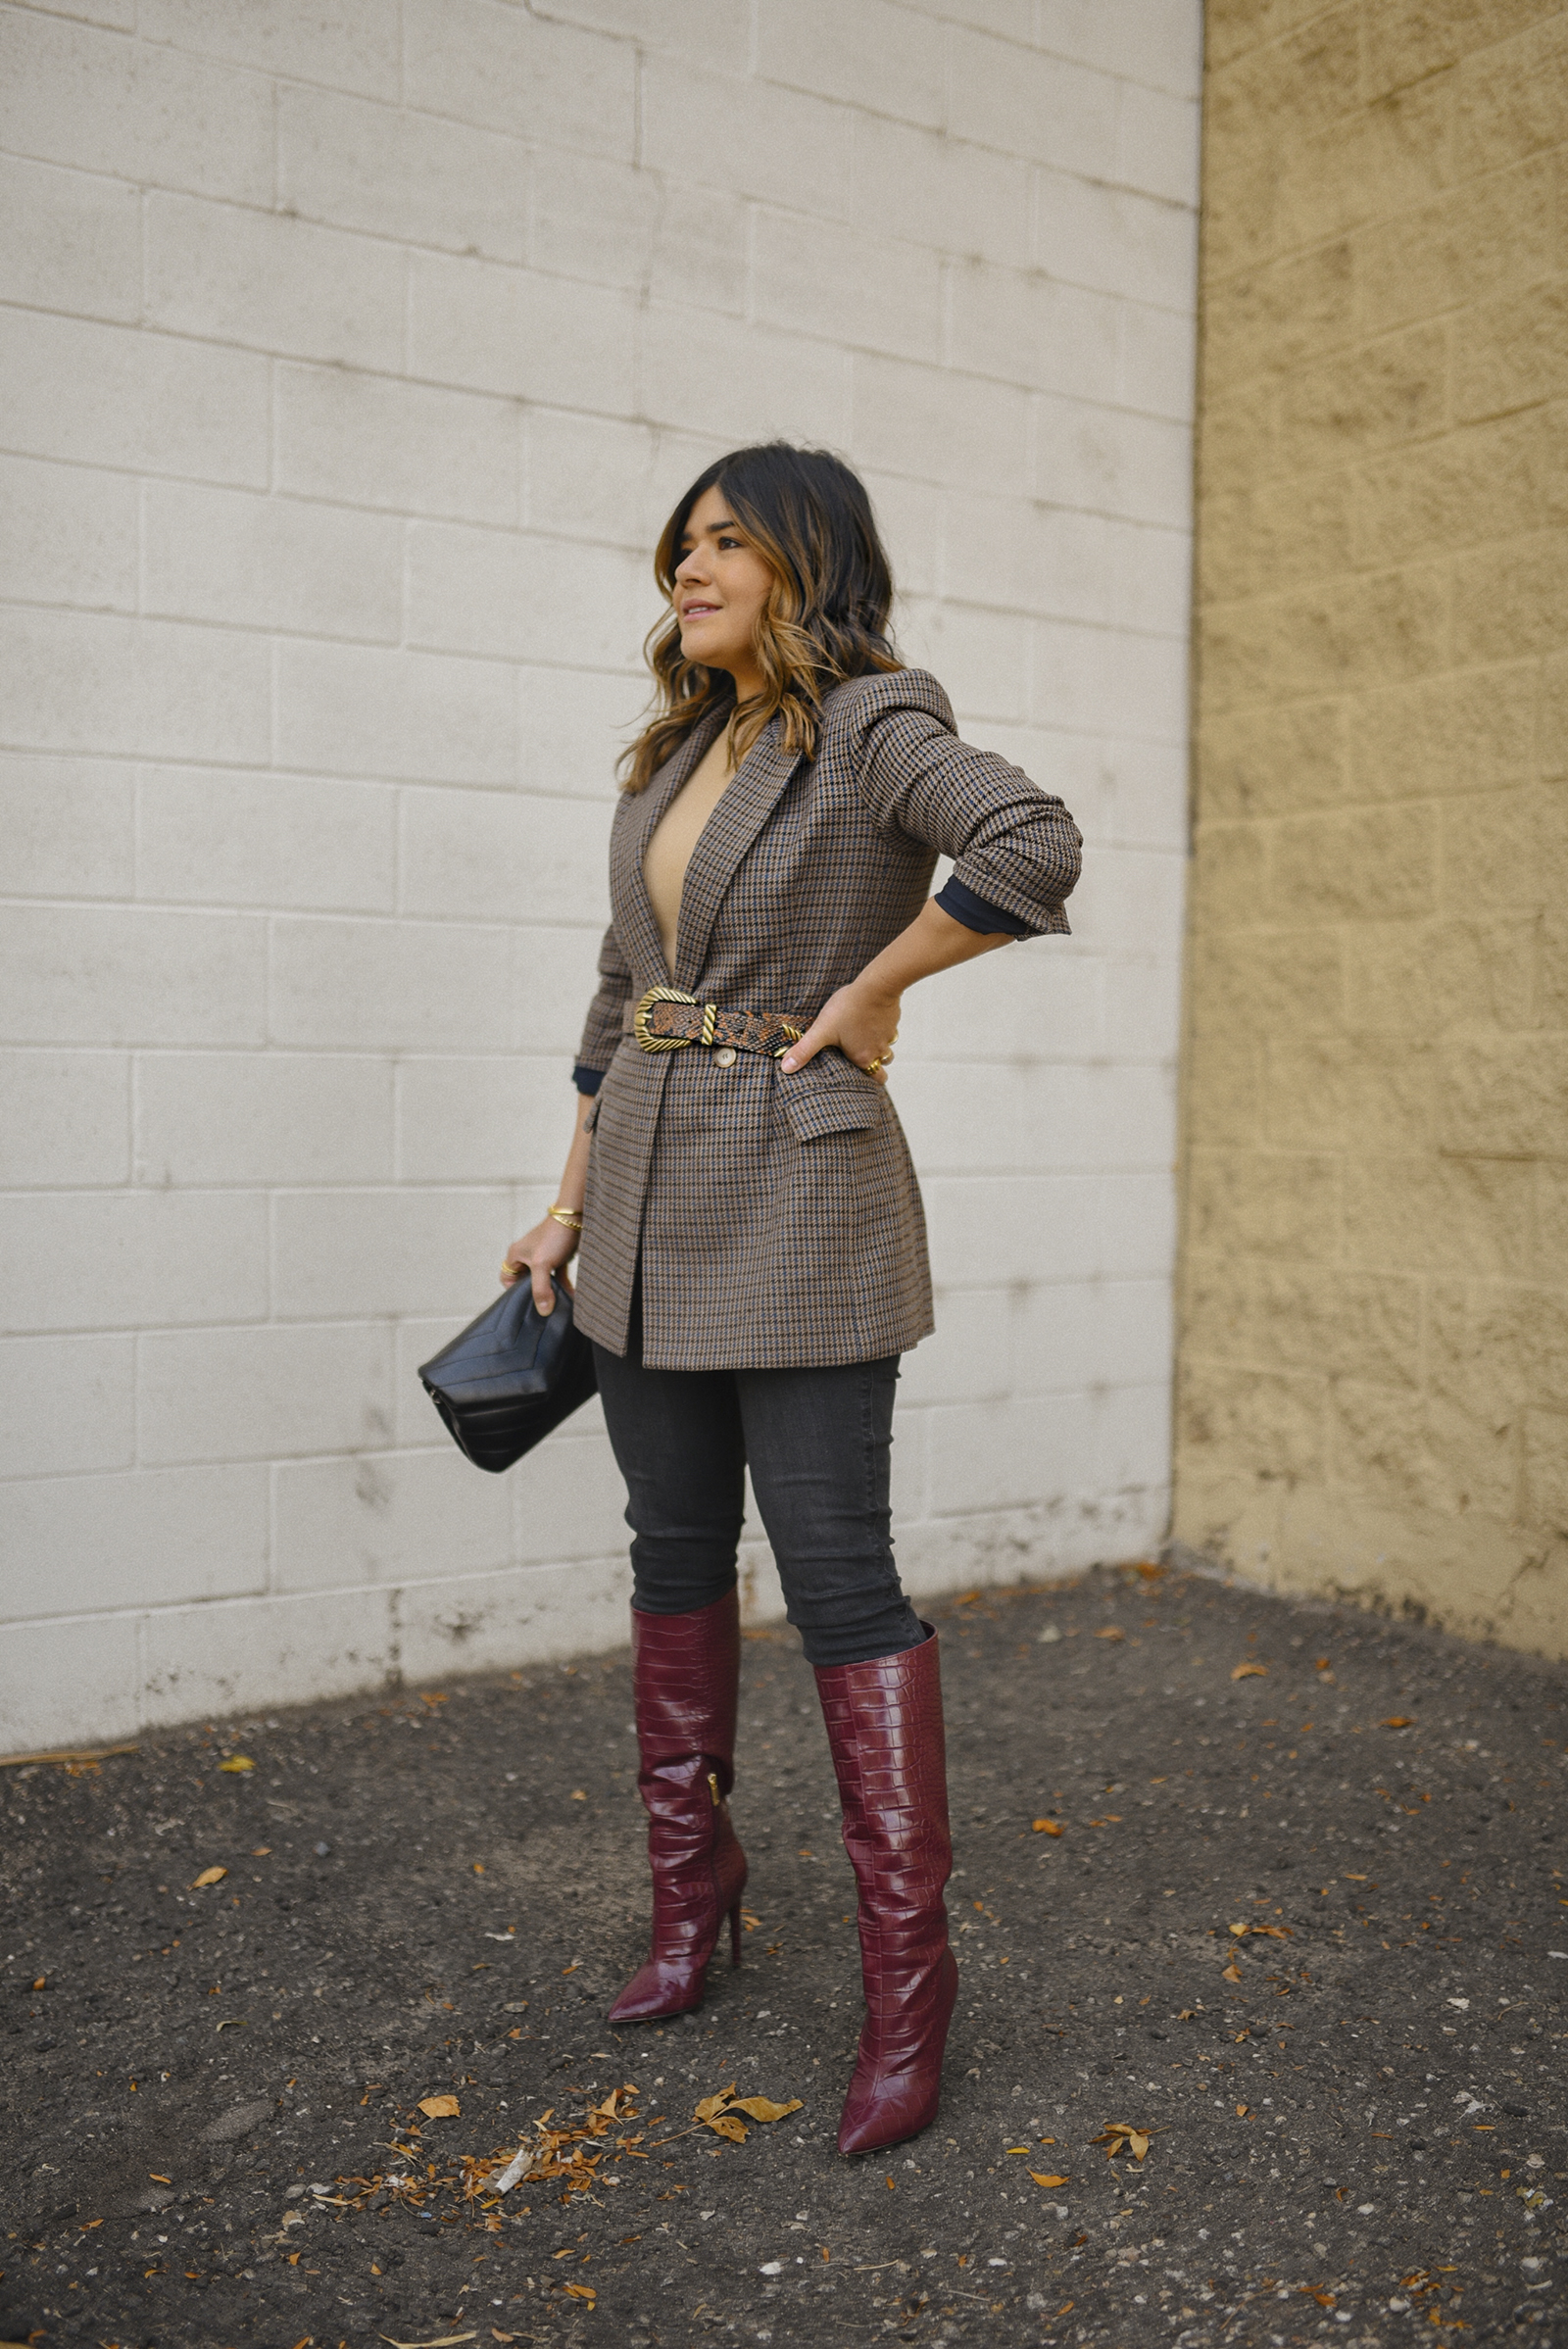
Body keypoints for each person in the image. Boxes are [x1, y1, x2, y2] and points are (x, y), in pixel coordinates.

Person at [501, 443, 1081, 2157]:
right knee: (669, 1559)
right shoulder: (678, 748)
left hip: (807, 1191)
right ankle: (698, 1910)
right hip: (650, 1204)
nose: (690, 567)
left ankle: (912, 1989)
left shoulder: (878, 720)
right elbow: (623, 1000)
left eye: (729, 542)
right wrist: (563, 1204)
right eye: (682, 543)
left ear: (804, 564)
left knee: (841, 1586)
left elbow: (1030, 841)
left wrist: (877, 982)